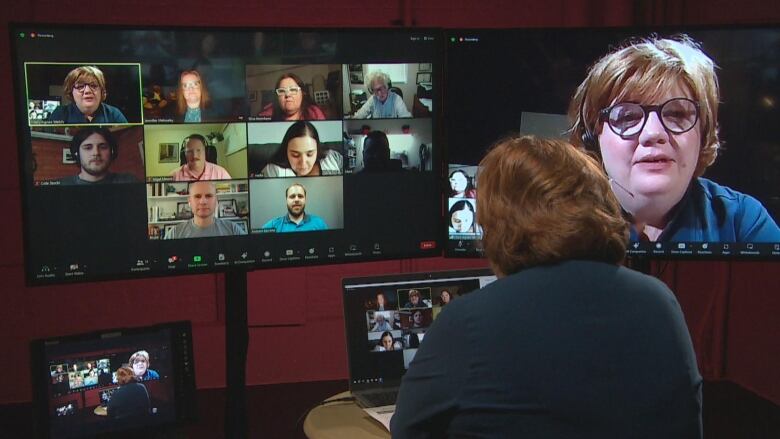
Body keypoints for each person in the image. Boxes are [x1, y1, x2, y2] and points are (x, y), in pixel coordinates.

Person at [391, 135, 702, 437]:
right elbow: (688, 425)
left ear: (497, 226)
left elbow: (407, 428)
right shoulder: (660, 303)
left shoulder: (468, 321)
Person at [569, 35, 780, 242]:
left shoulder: (742, 220)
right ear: (592, 137)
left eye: (677, 114)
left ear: (703, 133)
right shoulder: (554, 220)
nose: (653, 133)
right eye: (628, 116)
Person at [57, 127, 138, 185]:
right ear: (76, 153)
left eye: (103, 147)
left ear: (112, 151)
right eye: (88, 148)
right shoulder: (60, 185)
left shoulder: (129, 181)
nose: (96, 153)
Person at [48, 66, 128, 124]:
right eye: (80, 86)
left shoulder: (114, 114)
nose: (87, 91)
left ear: (101, 90)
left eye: (93, 86)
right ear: (71, 92)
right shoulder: (60, 114)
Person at [260, 121, 342, 177]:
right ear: (286, 151)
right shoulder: (274, 171)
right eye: (295, 155)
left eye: (310, 154)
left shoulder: (333, 158)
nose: (303, 164)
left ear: (317, 149)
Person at [168, 181, 247, 239]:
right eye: (197, 196)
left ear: (216, 201)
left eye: (209, 196)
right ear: (189, 202)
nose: (203, 202)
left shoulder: (233, 230)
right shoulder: (174, 233)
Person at [262, 183, 328, 232]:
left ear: (305, 199)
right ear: (286, 200)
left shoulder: (319, 223)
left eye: (300, 196)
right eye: (292, 196)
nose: (296, 200)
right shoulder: (273, 225)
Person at [258, 73, 326, 121]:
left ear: (302, 93)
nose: (287, 94)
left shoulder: (314, 113)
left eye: (293, 90)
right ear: (277, 97)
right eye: (282, 91)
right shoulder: (266, 116)